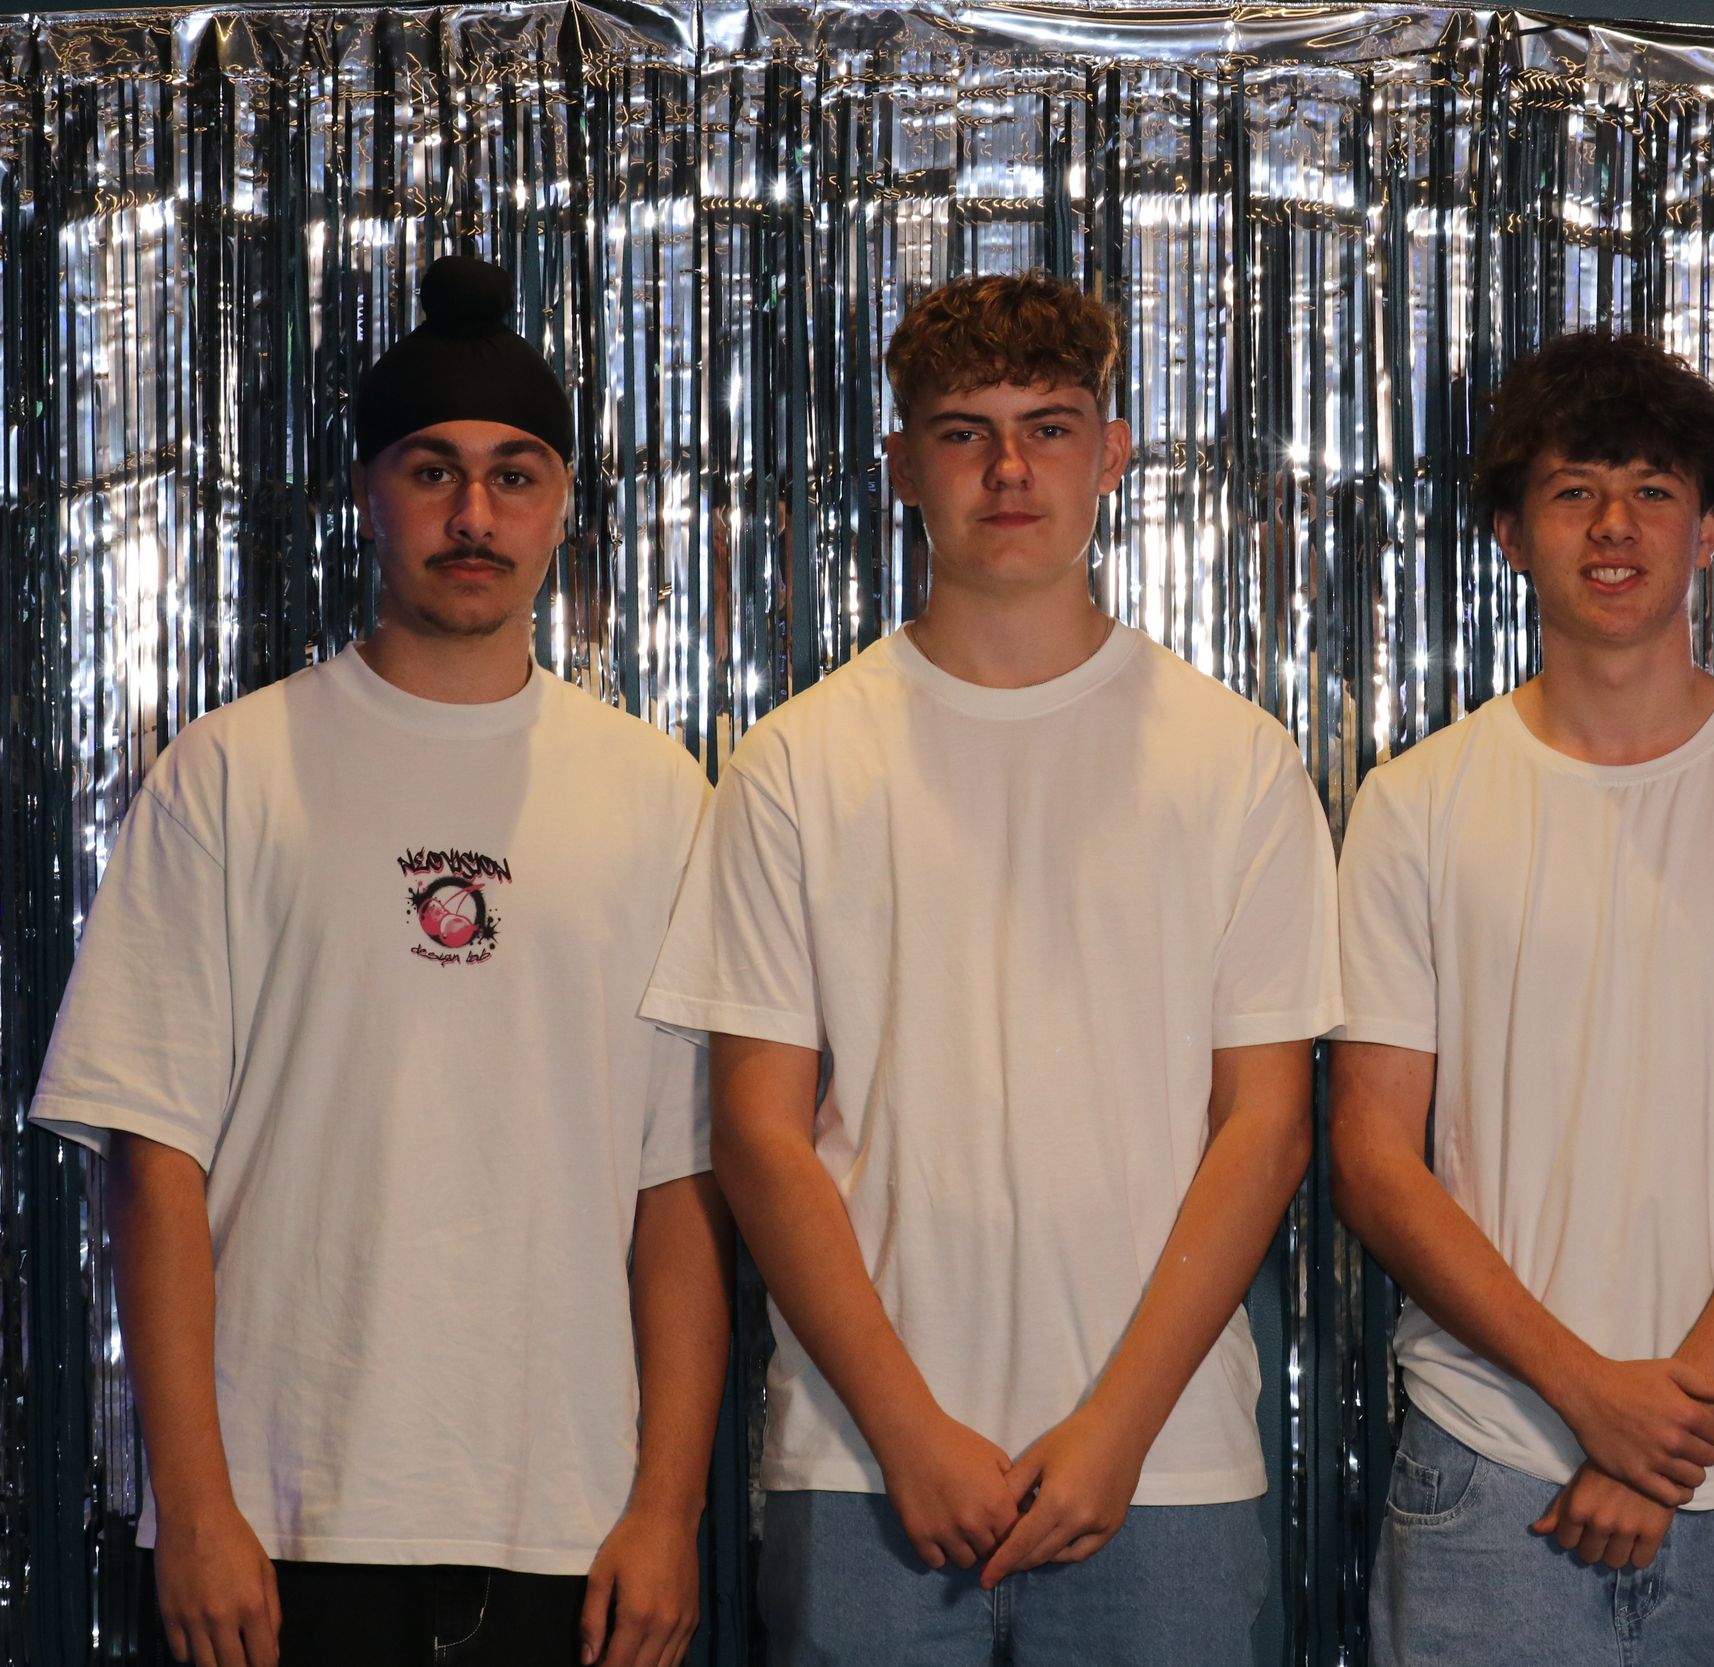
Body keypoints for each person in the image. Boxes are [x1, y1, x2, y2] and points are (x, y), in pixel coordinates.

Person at [30, 255, 733, 1667]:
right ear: (367, 494)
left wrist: (668, 1511)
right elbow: (153, 1164)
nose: (474, 514)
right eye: (432, 471)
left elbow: (681, 1190)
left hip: (568, 1522)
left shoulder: (659, 794)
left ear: (562, 505)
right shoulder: (228, 773)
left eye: (514, 475)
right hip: (281, 1524)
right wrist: (197, 1506)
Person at [640, 270, 1340, 1667]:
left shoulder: (1237, 762)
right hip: (863, 1465)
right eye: (964, 432)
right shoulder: (796, 764)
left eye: (1050, 427)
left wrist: (1115, 1432)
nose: (1010, 469)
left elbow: (1264, 1126)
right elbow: (760, 1134)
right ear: (903, 465)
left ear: (1113, 453)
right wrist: (906, 1432)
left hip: (1164, 1465)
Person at [1330, 329, 1714, 1666]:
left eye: (1654, 491)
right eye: (1574, 492)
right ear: (1510, 535)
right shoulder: (1416, 806)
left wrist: (1660, 1431)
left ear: (1706, 532)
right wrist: (1589, 1399)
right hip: (1492, 1467)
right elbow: (1372, 1160)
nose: (1615, 527)